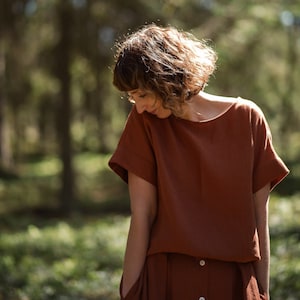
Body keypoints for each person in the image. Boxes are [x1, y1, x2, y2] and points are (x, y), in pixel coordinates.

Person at [108, 24, 289, 300]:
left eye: (142, 95)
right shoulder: (144, 123)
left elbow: (258, 217)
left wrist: (262, 292)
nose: (139, 106)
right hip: (165, 283)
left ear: (165, 77)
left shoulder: (248, 119)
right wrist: (130, 294)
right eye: (132, 98)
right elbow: (142, 215)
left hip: (234, 286)